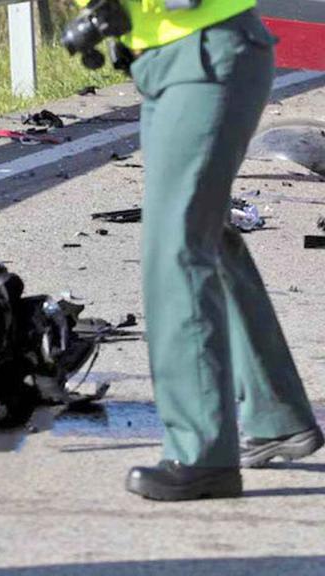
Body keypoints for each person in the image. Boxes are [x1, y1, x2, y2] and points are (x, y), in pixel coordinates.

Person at [80, 0, 324, 500]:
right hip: (173, 59)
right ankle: (275, 414)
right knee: (205, 236)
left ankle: (200, 454)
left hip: (206, 56)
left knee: (176, 248)